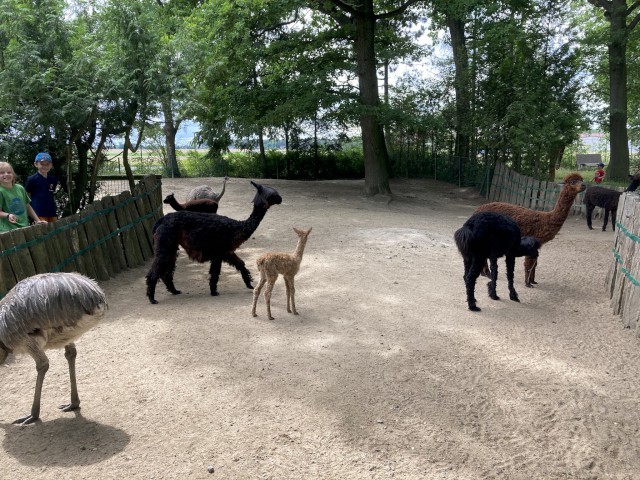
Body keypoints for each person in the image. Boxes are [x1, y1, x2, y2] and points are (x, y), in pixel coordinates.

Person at [0, 161, 47, 232]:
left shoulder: (20, 188)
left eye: (9, 172)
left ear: (13, 174)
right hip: (8, 230)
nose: (6, 174)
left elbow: (27, 206)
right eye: (2, 173)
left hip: (25, 226)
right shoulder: (1, 191)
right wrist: (8, 215)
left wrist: (37, 220)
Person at [25, 152, 59, 222]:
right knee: (42, 231)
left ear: (51, 165)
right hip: (38, 212)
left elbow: (51, 193)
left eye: (47, 164)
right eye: (42, 164)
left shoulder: (53, 180)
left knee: (55, 230)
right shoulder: (31, 179)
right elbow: (26, 197)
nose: (45, 166)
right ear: (36, 164)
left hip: (52, 211)